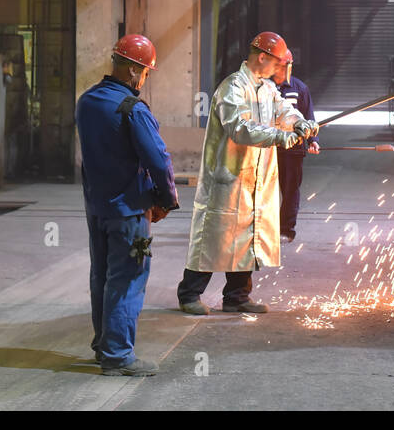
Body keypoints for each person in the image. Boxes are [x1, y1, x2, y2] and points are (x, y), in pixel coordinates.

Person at [177, 31, 319, 314]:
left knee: (247, 238)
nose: (280, 70)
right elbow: (239, 128)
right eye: (278, 63)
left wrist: (300, 123)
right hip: (228, 177)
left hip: (255, 177)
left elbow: (283, 111)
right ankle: (189, 294)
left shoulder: (266, 88)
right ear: (262, 57)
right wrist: (279, 138)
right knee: (213, 237)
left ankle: (237, 296)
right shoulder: (233, 87)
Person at [75, 34, 178, 376]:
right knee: (128, 279)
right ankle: (118, 356)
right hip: (130, 211)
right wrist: (165, 200)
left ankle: (102, 345)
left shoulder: (86, 101)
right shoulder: (132, 110)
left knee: (101, 276)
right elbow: (159, 161)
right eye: (146, 73)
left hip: (97, 208)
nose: (145, 79)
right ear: (134, 71)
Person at [272, 48, 318, 242]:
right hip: (270, 148)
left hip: (293, 150)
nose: (279, 70)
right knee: (267, 191)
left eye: (283, 66)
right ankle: (266, 228)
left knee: (290, 190)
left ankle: (286, 229)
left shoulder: (299, 89)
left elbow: (308, 117)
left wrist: (313, 140)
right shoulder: (264, 88)